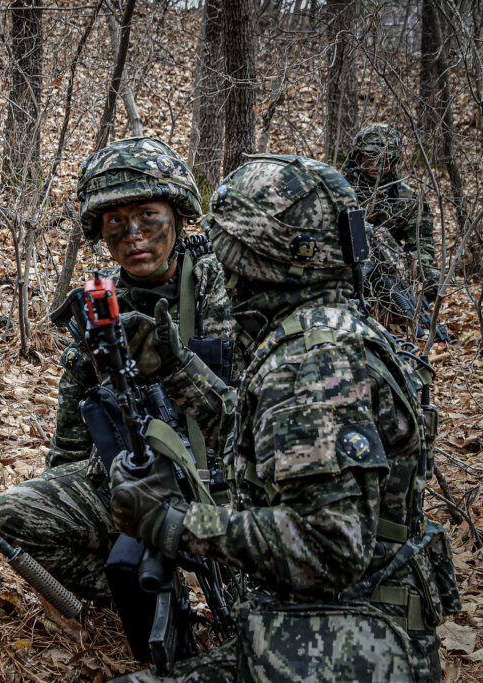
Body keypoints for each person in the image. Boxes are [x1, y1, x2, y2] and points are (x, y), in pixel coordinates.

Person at [109, 154, 460, 681]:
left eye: (229, 245)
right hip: (340, 625)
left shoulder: (310, 366)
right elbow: (278, 446)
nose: (217, 260)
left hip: (349, 643)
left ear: (259, 258)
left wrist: (174, 524)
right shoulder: (322, 328)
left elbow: (327, 547)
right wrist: (179, 371)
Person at [0, 137, 234, 600]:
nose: (133, 234)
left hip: (228, 490)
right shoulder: (101, 310)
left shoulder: (226, 290)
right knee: (14, 515)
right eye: (116, 221)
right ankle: (151, 596)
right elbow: (71, 443)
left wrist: (178, 368)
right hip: (136, 485)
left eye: (147, 216)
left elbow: (256, 420)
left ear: (177, 217)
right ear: (100, 231)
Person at [341, 123, 441, 295]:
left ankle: (398, 317)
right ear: (358, 157)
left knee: (432, 280)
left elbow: (423, 245)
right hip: (340, 260)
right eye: (369, 156)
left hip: (386, 267)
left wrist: (408, 269)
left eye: (384, 158)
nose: (375, 164)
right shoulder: (339, 189)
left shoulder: (408, 198)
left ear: (394, 160)